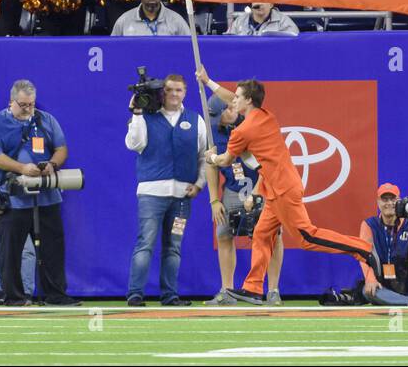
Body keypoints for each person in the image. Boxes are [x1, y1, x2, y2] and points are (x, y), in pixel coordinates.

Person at [198, 67, 375, 304]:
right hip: (275, 188)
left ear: (248, 100)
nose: (234, 99)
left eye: (238, 97)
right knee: (261, 234)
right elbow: (231, 98)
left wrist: (210, 158)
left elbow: (225, 160)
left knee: (307, 238)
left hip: (282, 189)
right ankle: (252, 287)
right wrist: (208, 81)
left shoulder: (242, 130)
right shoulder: (264, 114)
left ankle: (361, 249)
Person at [0, 80, 78, 306]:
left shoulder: (46, 120)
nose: (28, 109)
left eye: (31, 105)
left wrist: (52, 164)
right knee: (10, 250)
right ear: (11, 102)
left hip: (46, 193)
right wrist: (22, 168)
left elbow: (61, 148)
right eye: (23, 105)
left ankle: (56, 295)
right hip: (13, 195)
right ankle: (13, 296)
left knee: (53, 246)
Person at [124, 72, 207, 306]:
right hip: (151, 194)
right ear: (162, 92)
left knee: (174, 247)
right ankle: (135, 293)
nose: (173, 94)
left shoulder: (195, 120)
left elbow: (204, 156)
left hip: (182, 197)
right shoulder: (147, 117)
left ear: (185, 92)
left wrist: (200, 184)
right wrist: (137, 113)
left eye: (178, 90)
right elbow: (135, 144)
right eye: (169, 89)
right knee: (146, 243)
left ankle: (170, 295)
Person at [202, 93, 285, 307]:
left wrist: (257, 193)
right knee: (223, 234)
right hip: (231, 189)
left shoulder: (253, 125)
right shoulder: (212, 133)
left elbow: (269, 162)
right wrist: (213, 200)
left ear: (231, 109)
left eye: (220, 116)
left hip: (262, 187)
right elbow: (210, 164)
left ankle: (273, 290)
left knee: (272, 236)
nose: (217, 122)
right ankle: (227, 291)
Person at [228, 2, 300, 36]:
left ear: (271, 4)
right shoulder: (239, 21)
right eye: (256, 0)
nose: (260, 4)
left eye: (263, 0)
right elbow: (228, 43)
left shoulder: (284, 22)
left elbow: (293, 45)